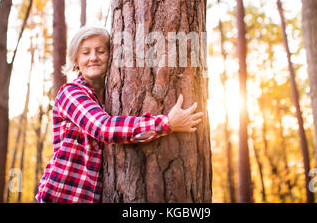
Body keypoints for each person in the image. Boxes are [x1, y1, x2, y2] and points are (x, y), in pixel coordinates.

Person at [35, 26, 203, 203]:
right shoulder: (71, 93)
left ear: (112, 56)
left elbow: (124, 132)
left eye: (100, 51)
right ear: (76, 60)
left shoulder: (110, 101)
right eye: (85, 53)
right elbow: (104, 128)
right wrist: (167, 123)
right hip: (59, 197)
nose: (93, 57)